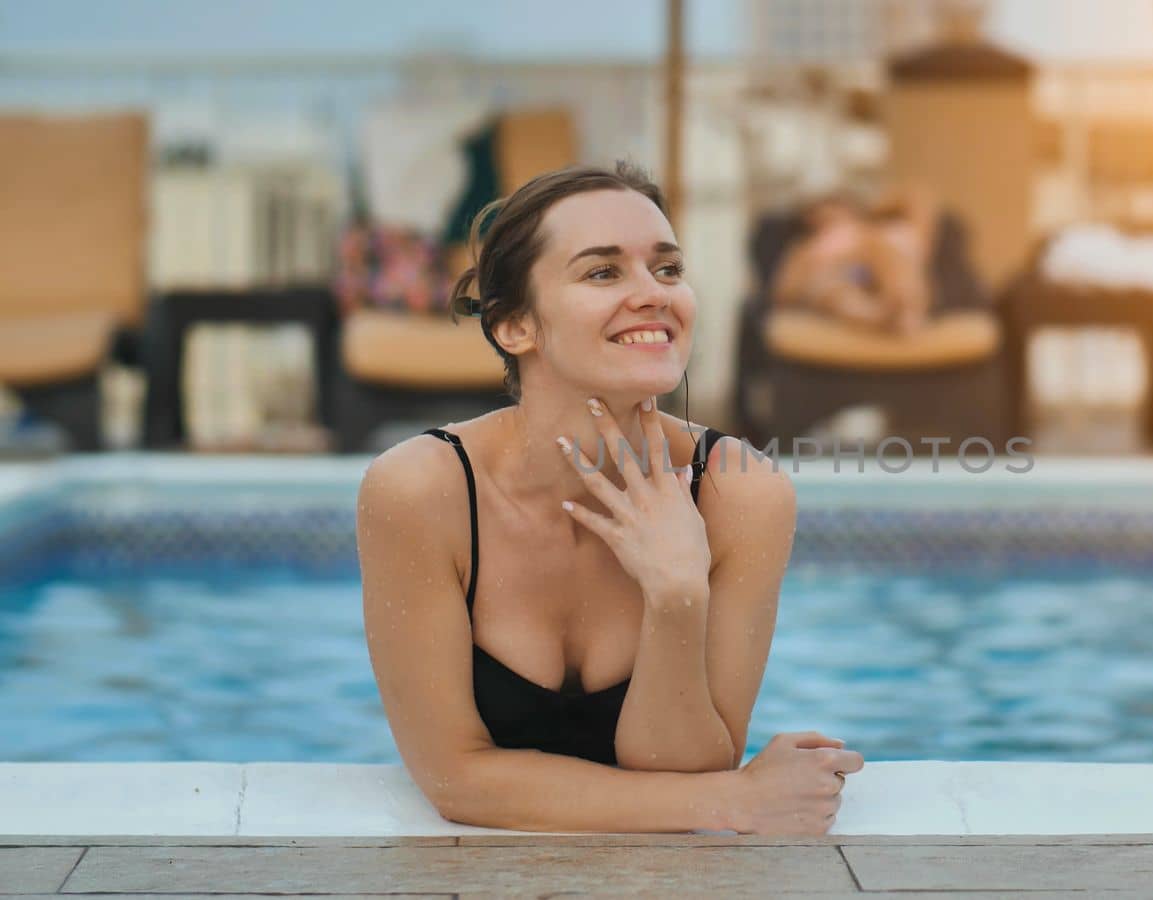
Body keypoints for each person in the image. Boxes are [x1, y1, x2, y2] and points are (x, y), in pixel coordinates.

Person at [356, 162, 863, 834]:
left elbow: (684, 768)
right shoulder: (422, 490)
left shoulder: (741, 493)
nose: (654, 294)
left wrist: (676, 594)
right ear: (514, 327)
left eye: (668, 269)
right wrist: (734, 800)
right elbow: (456, 779)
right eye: (603, 272)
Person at [770, 185, 937, 335]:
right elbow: (784, 293)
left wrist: (875, 214)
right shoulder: (805, 248)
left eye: (836, 211)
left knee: (886, 248)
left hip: (874, 274)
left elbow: (917, 197)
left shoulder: (872, 232)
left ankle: (903, 309)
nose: (828, 217)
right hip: (844, 279)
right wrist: (814, 265)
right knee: (829, 288)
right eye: (821, 216)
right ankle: (878, 316)